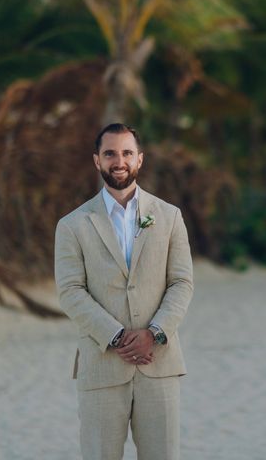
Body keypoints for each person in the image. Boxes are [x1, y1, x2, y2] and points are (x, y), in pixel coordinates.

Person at [54, 123, 193, 460]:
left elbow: (181, 282)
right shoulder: (72, 224)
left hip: (158, 365)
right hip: (101, 366)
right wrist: (117, 337)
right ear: (96, 160)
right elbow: (71, 291)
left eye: (127, 153)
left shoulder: (170, 217)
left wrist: (154, 333)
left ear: (140, 160)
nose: (120, 161)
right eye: (110, 153)